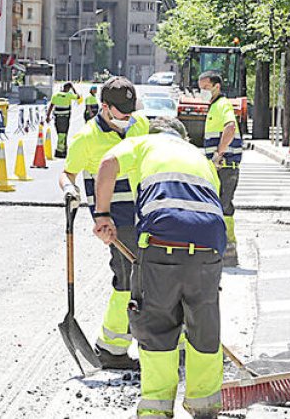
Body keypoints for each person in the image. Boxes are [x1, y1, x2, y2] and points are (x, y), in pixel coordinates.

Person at [92, 116, 226, 419]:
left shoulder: (144, 143)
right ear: (183, 138)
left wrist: (102, 215)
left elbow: (109, 162)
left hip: (162, 241)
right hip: (209, 244)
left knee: (157, 324)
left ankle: (156, 408)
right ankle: (204, 404)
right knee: (203, 325)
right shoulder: (200, 158)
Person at [59, 76, 149, 369]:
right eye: (122, 112)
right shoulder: (86, 138)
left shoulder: (140, 126)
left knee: (156, 274)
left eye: (130, 111)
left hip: (146, 212)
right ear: (105, 107)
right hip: (113, 219)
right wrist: (69, 190)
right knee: (126, 278)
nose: (127, 118)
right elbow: (67, 173)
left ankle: (169, 342)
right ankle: (112, 348)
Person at [198, 70, 242, 267]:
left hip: (224, 166)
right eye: (201, 89)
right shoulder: (214, 106)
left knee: (223, 206)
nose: (202, 92)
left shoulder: (222, 105)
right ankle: (220, 248)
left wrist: (219, 154)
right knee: (217, 206)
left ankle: (229, 250)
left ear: (217, 86)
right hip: (219, 166)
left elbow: (230, 127)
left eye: (206, 88)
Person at [47, 82, 81, 158]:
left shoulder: (56, 95)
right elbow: (78, 97)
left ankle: (62, 149)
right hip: (65, 117)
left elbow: (51, 106)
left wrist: (48, 116)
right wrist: (73, 89)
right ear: (68, 89)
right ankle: (60, 151)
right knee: (63, 134)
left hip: (57, 117)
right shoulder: (69, 95)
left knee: (60, 133)